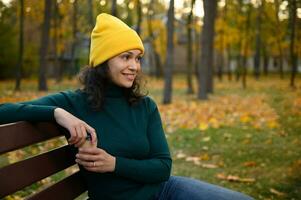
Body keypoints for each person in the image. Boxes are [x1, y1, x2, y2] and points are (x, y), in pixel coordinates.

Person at [0, 13, 253, 200]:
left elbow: (163, 167)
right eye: (126, 57)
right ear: (102, 61)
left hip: (164, 192)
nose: (135, 66)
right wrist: (56, 113)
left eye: (137, 58)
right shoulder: (73, 103)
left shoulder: (145, 106)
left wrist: (114, 163)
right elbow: (5, 111)